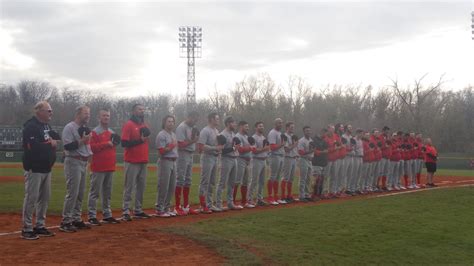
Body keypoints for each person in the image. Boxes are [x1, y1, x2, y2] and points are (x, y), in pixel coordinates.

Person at [21, 101, 59, 240]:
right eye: (48, 110)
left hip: (46, 167)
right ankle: (26, 228)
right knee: (31, 198)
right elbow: (33, 146)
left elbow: (53, 139)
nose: (51, 113)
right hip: (34, 167)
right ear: (39, 112)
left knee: (44, 198)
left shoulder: (46, 125)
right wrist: (50, 144)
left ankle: (40, 225)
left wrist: (53, 142)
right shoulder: (30, 126)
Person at [60, 105, 93, 232]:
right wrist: (82, 141)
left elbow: (87, 146)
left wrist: (89, 155)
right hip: (73, 161)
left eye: (89, 113)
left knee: (80, 193)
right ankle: (66, 221)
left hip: (83, 162)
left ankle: (76, 218)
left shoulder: (85, 129)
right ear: (78, 114)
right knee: (72, 193)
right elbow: (67, 146)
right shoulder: (69, 127)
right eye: (85, 113)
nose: (88, 116)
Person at [87, 108, 120, 226]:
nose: (106, 118)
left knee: (107, 192)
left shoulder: (112, 132)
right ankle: (91, 215)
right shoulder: (94, 132)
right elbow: (91, 147)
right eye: (104, 116)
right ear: (99, 117)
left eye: (108, 116)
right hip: (98, 166)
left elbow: (113, 147)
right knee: (94, 192)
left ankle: (107, 214)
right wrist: (106, 144)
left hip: (110, 165)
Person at [121, 104, 151, 221]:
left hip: (143, 160)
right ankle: (126, 211)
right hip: (132, 160)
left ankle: (138, 209)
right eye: (139, 109)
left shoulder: (144, 125)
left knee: (141, 187)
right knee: (129, 187)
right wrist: (140, 140)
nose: (142, 111)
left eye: (143, 109)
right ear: (133, 111)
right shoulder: (129, 124)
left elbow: (146, 141)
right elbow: (124, 143)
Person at [197, 113, 223, 214]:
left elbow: (218, 145)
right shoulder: (205, 130)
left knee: (212, 182)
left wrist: (219, 149)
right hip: (207, 157)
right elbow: (201, 146)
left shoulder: (216, 131)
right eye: (216, 118)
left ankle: (209, 204)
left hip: (215, 157)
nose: (218, 120)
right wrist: (215, 148)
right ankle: (203, 205)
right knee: (205, 181)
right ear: (211, 119)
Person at [175, 111, 200, 215]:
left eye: (196, 119)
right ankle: (177, 207)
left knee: (188, 180)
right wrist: (193, 141)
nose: (195, 121)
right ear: (189, 117)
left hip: (190, 154)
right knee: (180, 179)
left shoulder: (191, 127)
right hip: (182, 154)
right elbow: (180, 144)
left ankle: (186, 206)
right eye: (194, 118)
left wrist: (194, 141)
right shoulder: (182, 127)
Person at [215, 116, 242, 211]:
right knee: (222, 182)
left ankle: (230, 203)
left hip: (234, 159)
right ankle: (218, 204)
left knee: (232, 183)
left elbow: (236, 146)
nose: (235, 124)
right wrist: (234, 148)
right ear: (228, 124)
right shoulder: (222, 134)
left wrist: (236, 147)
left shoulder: (233, 134)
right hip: (226, 159)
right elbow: (222, 150)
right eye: (233, 123)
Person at [155, 115, 178, 218]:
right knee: (163, 186)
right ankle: (159, 209)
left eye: (172, 121)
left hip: (173, 161)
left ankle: (167, 208)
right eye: (169, 121)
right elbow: (161, 151)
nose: (171, 123)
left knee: (172, 186)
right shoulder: (161, 135)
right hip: (165, 161)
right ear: (164, 123)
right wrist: (172, 146)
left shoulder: (173, 134)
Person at [248, 121, 270, 207]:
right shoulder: (254, 137)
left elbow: (266, 149)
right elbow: (254, 151)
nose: (261, 127)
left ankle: (259, 199)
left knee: (261, 182)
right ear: (255, 128)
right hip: (256, 160)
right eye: (259, 126)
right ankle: (249, 200)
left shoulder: (263, 137)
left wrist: (266, 150)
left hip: (263, 160)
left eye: (262, 126)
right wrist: (264, 149)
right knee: (254, 180)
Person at [235, 121, 254, 208]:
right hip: (240, 160)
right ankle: (233, 202)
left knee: (245, 182)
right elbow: (240, 150)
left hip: (247, 161)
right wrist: (250, 148)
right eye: (246, 126)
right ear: (241, 126)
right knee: (237, 181)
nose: (248, 128)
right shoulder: (238, 136)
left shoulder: (247, 137)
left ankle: (244, 201)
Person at [267, 118, 286, 205]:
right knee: (273, 176)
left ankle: (276, 196)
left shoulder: (280, 133)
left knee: (277, 177)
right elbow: (272, 147)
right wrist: (281, 145)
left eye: (281, 123)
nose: (281, 124)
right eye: (279, 123)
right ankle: (270, 197)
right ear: (275, 124)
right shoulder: (272, 132)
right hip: (274, 156)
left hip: (281, 156)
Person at [281, 122, 298, 203]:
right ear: (287, 127)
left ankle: (289, 195)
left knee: (291, 178)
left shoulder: (292, 136)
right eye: (291, 127)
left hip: (294, 158)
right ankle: (283, 196)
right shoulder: (285, 136)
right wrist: (294, 145)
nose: (292, 129)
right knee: (285, 177)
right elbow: (286, 149)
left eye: (293, 127)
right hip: (287, 158)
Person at [311, 129, 328, 200]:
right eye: (323, 132)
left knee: (321, 179)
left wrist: (324, 152)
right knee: (316, 180)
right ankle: (314, 195)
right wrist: (322, 152)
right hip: (316, 163)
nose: (324, 134)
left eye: (325, 133)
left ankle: (319, 194)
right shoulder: (314, 140)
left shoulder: (323, 141)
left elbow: (327, 150)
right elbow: (314, 151)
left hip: (323, 163)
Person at [298, 126, 314, 202]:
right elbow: (300, 152)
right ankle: (301, 195)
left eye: (309, 131)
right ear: (304, 132)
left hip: (310, 160)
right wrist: (310, 152)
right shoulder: (301, 141)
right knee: (303, 178)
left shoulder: (311, 140)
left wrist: (312, 155)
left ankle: (307, 194)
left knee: (308, 178)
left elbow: (313, 151)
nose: (308, 132)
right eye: (307, 131)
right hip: (303, 160)